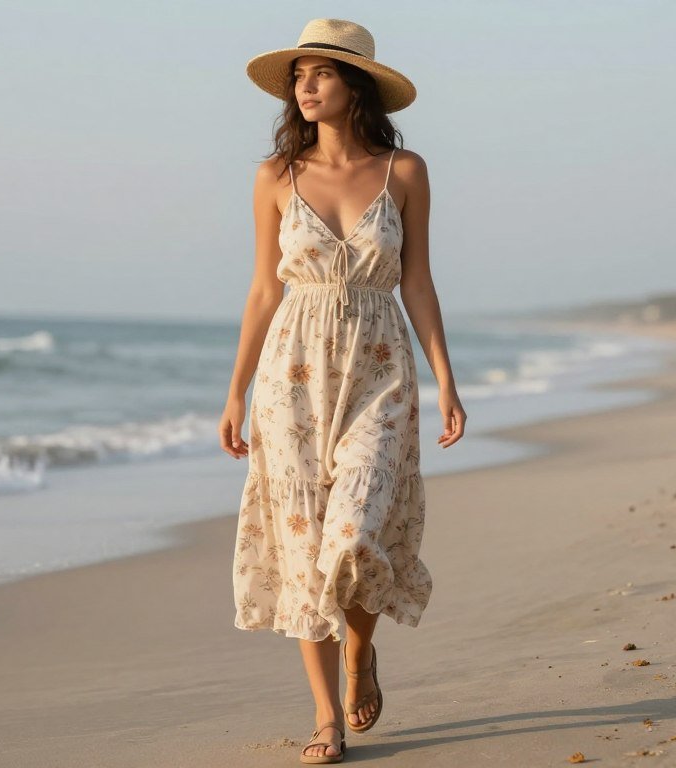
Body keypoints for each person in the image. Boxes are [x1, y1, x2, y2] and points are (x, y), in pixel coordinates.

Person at [219, 18, 465, 764]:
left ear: (356, 85)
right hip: (290, 378)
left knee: (356, 530)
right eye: (299, 77)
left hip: (381, 369)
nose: (306, 87)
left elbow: (417, 281)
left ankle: (361, 653)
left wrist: (448, 377)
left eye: (320, 74)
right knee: (303, 547)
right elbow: (264, 290)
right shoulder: (275, 177)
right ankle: (326, 717)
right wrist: (235, 393)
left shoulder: (406, 172)